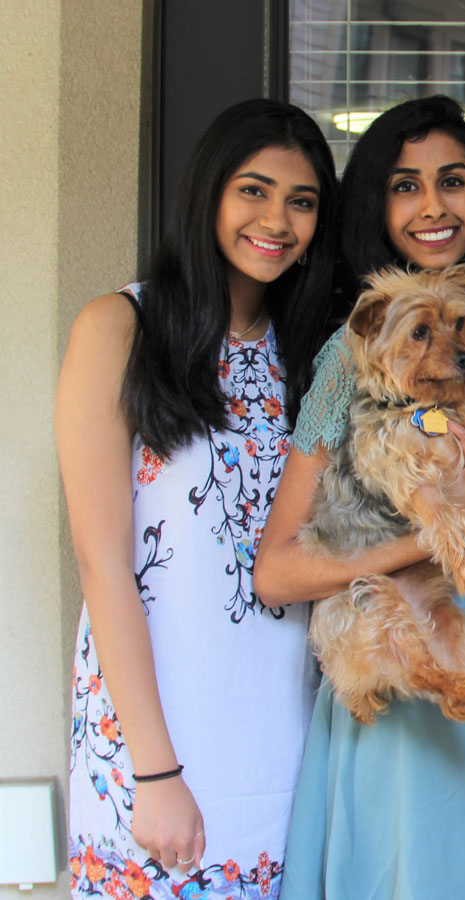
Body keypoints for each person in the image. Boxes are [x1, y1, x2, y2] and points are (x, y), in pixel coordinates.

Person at [253, 95, 465, 900]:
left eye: (453, 181)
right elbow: (279, 569)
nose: (433, 205)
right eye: (405, 185)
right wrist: (431, 537)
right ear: (378, 206)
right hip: (402, 655)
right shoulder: (350, 355)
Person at [59, 99, 339, 898]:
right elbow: (101, 561)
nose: (277, 220)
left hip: (284, 727)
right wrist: (155, 770)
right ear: (209, 192)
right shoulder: (121, 327)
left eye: (302, 201)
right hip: (158, 732)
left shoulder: (313, 354)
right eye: (253, 190)